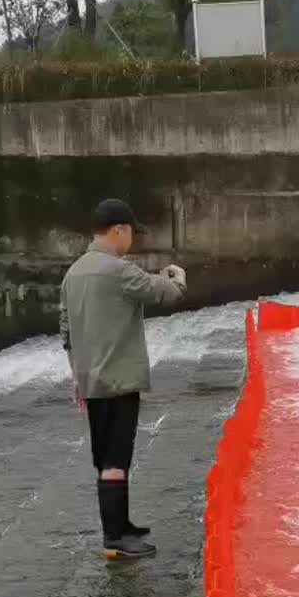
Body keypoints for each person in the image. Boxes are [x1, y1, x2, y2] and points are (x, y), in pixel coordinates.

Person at [60, 198, 187, 560]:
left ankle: (122, 525)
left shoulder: (74, 273)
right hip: (119, 380)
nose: (132, 240)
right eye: (131, 233)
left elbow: (65, 330)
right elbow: (164, 292)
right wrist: (177, 276)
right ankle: (115, 536)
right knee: (117, 456)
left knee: (106, 456)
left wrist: (78, 375)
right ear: (118, 230)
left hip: (92, 380)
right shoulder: (116, 271)